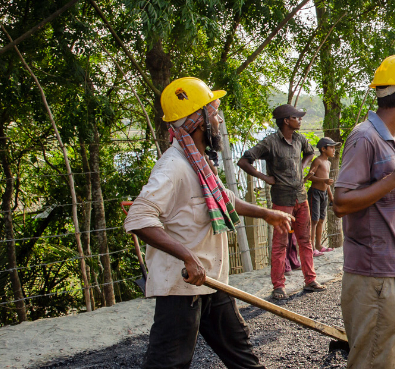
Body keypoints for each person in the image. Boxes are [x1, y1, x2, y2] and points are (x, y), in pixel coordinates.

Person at [125, 77, 295, 369]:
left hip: (212, 281)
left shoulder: (199, 163)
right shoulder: (173, 166)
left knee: (241, 354)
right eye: (214, 113)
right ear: (199, 121)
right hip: (182, 286)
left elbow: (225, 198)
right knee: (169, 362)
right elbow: (139, 218)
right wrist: (187, 257)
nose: (218, 120)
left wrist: (266, 213)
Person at [333, 55, 395, 369]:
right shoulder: (365, 138)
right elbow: (341, 202)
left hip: (394, 270)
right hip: (373, 278)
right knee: (374, 362)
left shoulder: (391, 142)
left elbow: (392, 214)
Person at [237, 104, 326, 300]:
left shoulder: (298, 139)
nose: (300, 120)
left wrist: (301, 165)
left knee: (305, 241)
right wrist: (264, 177)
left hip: (301, 197)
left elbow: (309, 152)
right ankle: (278, 286)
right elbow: (244, 161)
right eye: (297, 117)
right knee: (280, 244)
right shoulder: (269, 142)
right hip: (282, 199)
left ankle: (310, 280)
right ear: (286, 120)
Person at [305, 137, 340, 257]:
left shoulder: (329, 163)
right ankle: (311, 247)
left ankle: (319, 245)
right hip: (315, 192)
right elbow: (310, 177)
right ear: (323, 149)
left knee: (320, 220)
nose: (334, 150)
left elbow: (327, 183)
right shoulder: (317, 161)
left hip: (324, 194)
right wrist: (323, 180)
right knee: (314, 221)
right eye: (331, 147)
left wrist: (331, 198)